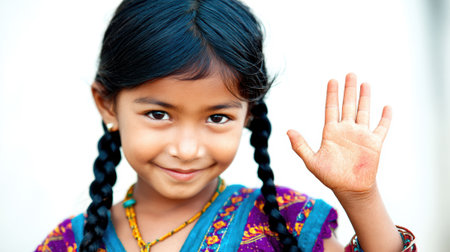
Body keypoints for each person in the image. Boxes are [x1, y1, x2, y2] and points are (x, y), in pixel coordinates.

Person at [35, 0, 416, 251]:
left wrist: (361, 199)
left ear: (248, 114)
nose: (187, 149)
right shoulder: (66, 243)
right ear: (107, 105)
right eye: (158, 114)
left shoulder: (288, 224)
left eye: (217, 118)